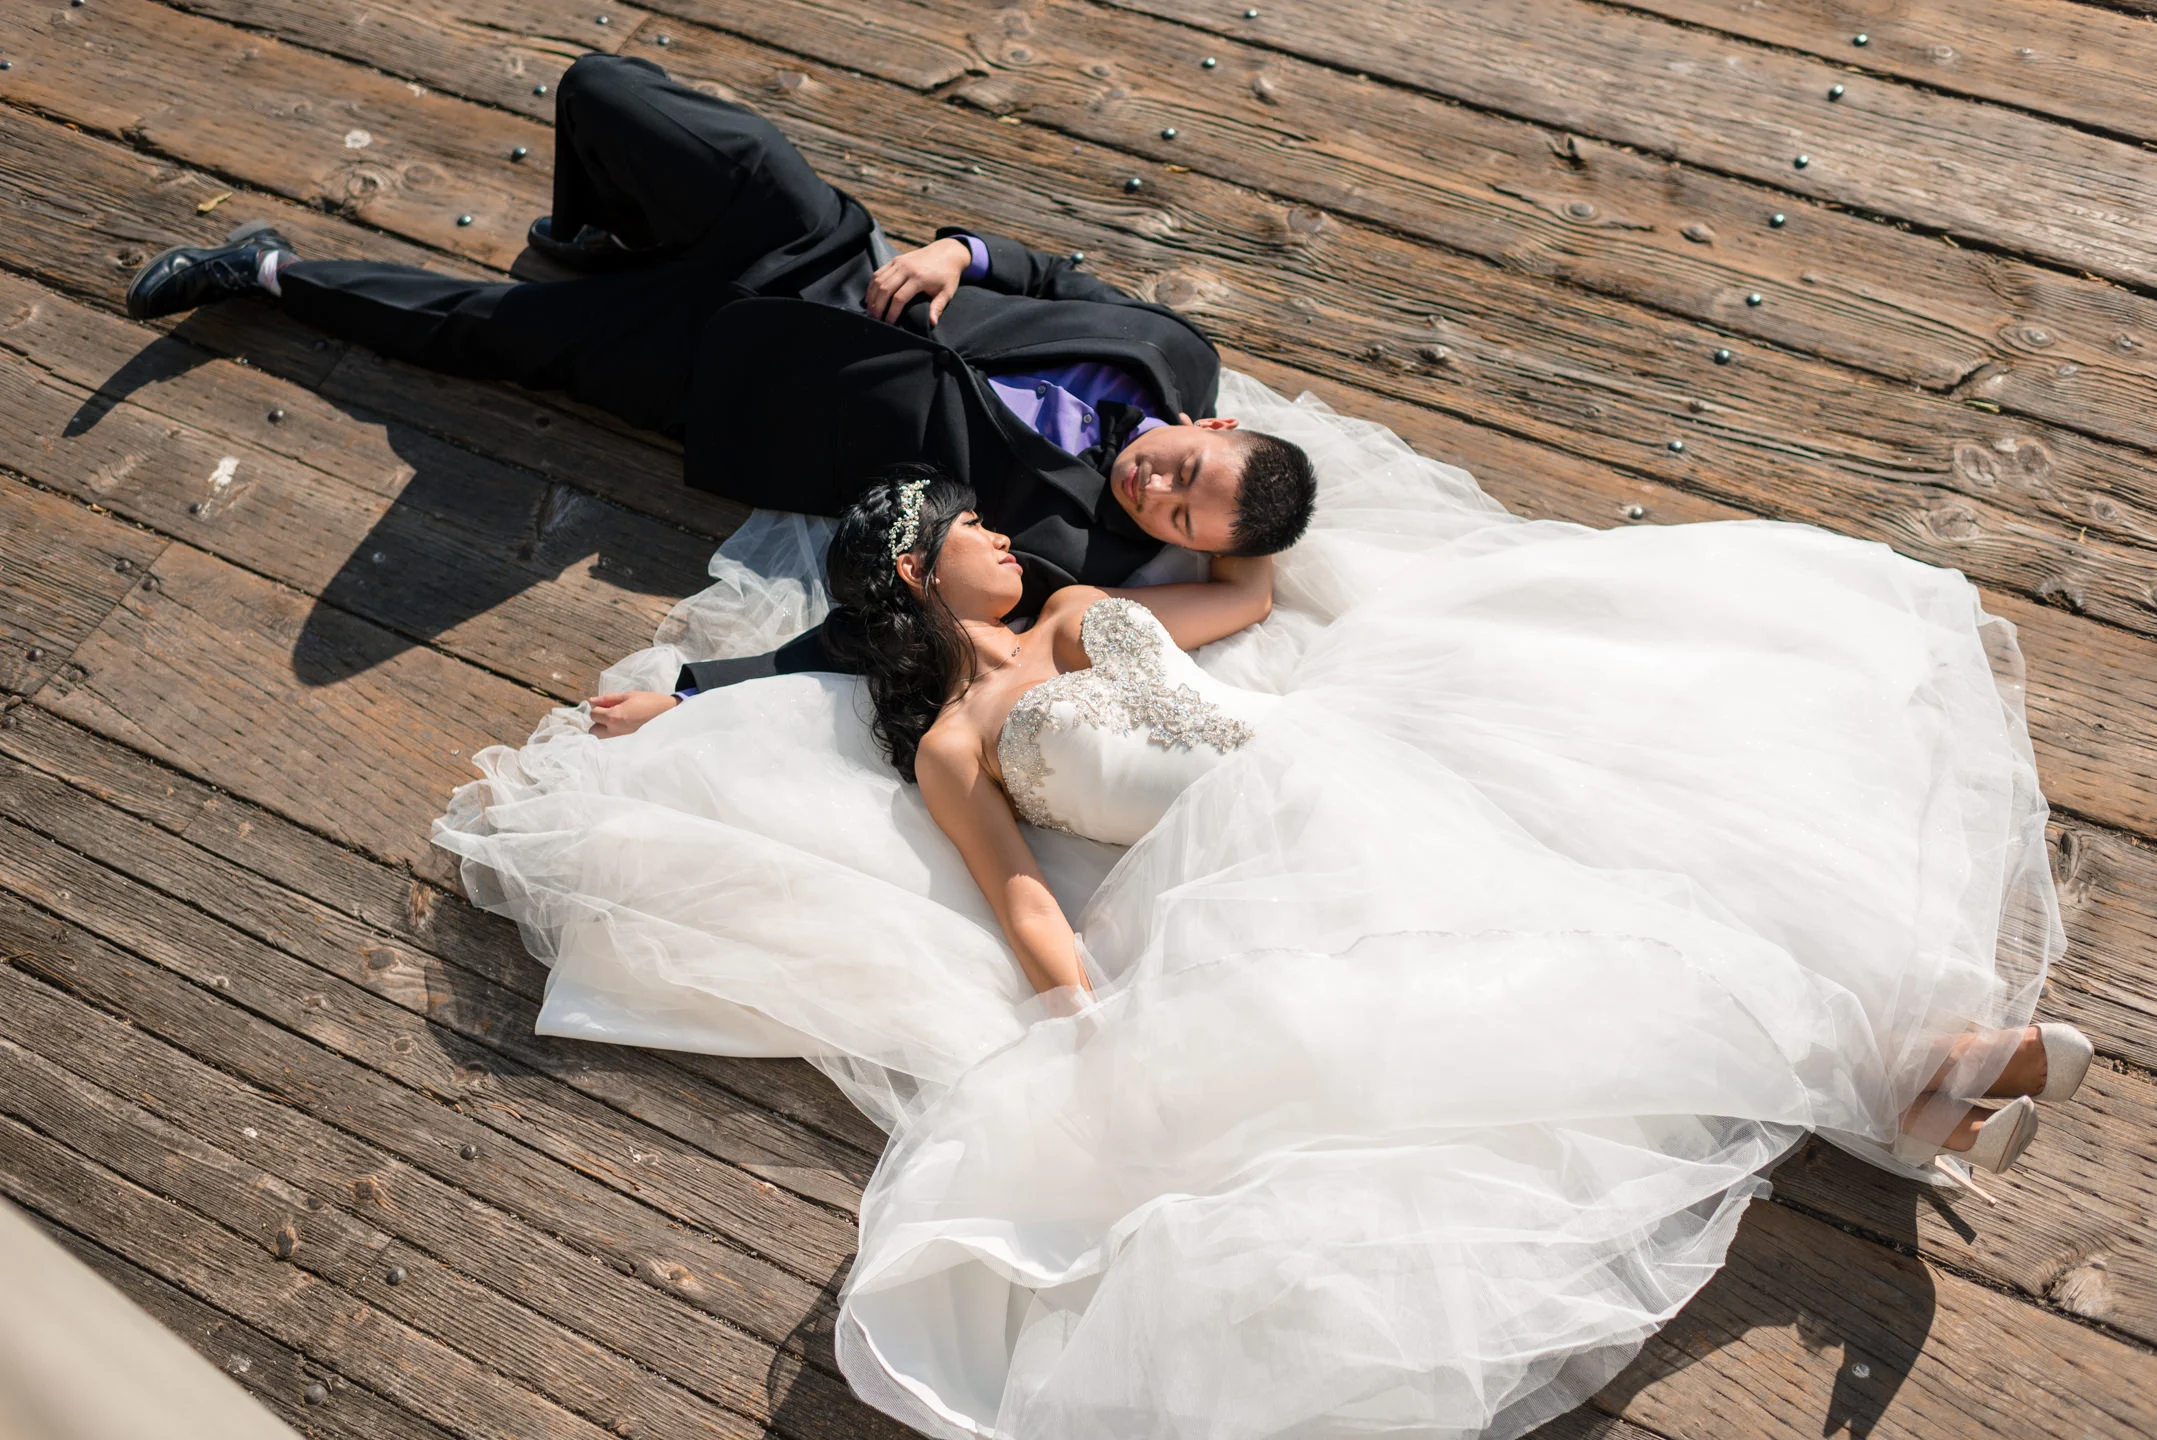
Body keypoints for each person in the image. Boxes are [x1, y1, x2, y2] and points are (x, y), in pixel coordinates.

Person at [432, 373, 2085, 1440]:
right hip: (1253, 861)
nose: (1011, 536)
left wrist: (1234, 497)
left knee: (1638, 869)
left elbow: (1235, 594)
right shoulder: (952, 741)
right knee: (1595, 967)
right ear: (925, 576)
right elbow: (1015, 885)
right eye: (976, 535)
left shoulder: (1088, 608)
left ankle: (1924, 1075)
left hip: (1336, 752)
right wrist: (1079, 1010)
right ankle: (1924, 1074)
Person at [120, 50, 1318, 716]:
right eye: (1186, 468)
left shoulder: (1063, 550)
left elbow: (894, 627)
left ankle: (264, 271)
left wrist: (695, 692)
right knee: (601, 88)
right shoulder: (1174, 354)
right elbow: (1052, 269)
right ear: (1211, 423)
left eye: (1170, 512)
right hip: (818, 253)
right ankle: (604, 229)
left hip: (731, 384)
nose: (1151, 483)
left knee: (489, 332)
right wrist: (960, 252)